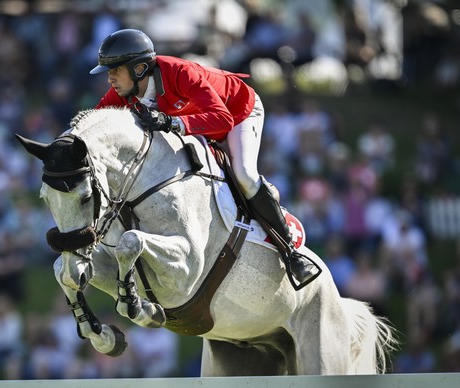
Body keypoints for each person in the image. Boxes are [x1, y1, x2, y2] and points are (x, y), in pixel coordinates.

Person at [89, 29, 319, 288]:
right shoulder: (121, 92)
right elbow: (96, 124)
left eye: (114, 71)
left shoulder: (179, 73)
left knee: (243, 173)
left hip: (238, 111)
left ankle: (290, 252)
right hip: (197, 123)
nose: (109, 79)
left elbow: (223, 119)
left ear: (139, 68)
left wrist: (172, 122)